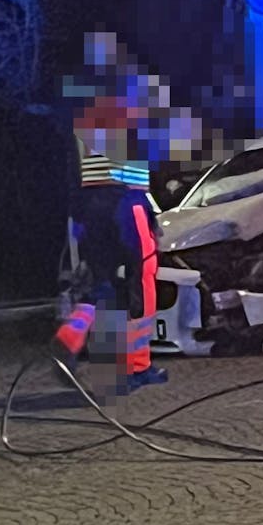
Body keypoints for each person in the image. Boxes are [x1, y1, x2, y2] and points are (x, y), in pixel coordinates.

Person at [50, 130, 167, 393]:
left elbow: (76, 165)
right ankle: (137, 367)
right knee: (143, 280)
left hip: (92, 202)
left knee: (103, 281)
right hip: (127, 200)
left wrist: (78, 213)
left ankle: (70, 335)